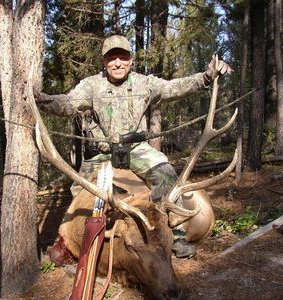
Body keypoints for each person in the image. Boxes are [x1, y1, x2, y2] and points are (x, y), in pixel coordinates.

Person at [37, 35, 232, 202]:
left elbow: (175, 87)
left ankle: (175, 236)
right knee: (79, 194)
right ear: (104, 62)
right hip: (101, 154)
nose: (118, 63)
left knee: (167, 176)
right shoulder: (91, 85)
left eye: (123, 57)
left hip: (138, 149)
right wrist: (43, 100)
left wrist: (206, 77)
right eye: (112, 58)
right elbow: (68, 103)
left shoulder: (144, 83)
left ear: (131, 60)